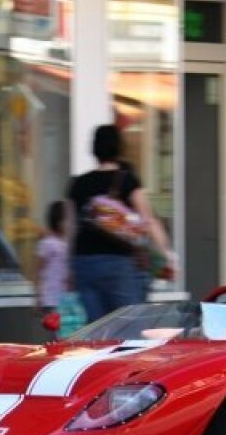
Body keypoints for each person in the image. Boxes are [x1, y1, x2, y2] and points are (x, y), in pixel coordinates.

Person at [67, 124, 173, 322]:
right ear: (119, 148)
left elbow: (70, 228)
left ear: (94, 148)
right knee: (128, 324)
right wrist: (166, 253)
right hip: (117, 261)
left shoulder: (78, 184)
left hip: (84, 262)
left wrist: (69, 267)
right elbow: (148, 220)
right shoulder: (127, 180)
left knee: (95, 329)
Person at [34, 200, 68, 326]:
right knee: (57, 332)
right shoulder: (47, 243)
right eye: (67, 220)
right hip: (51, 298)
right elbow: (38, 271)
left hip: (66, 298)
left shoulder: (68, 244)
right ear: (58, 221)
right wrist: (38, 298)